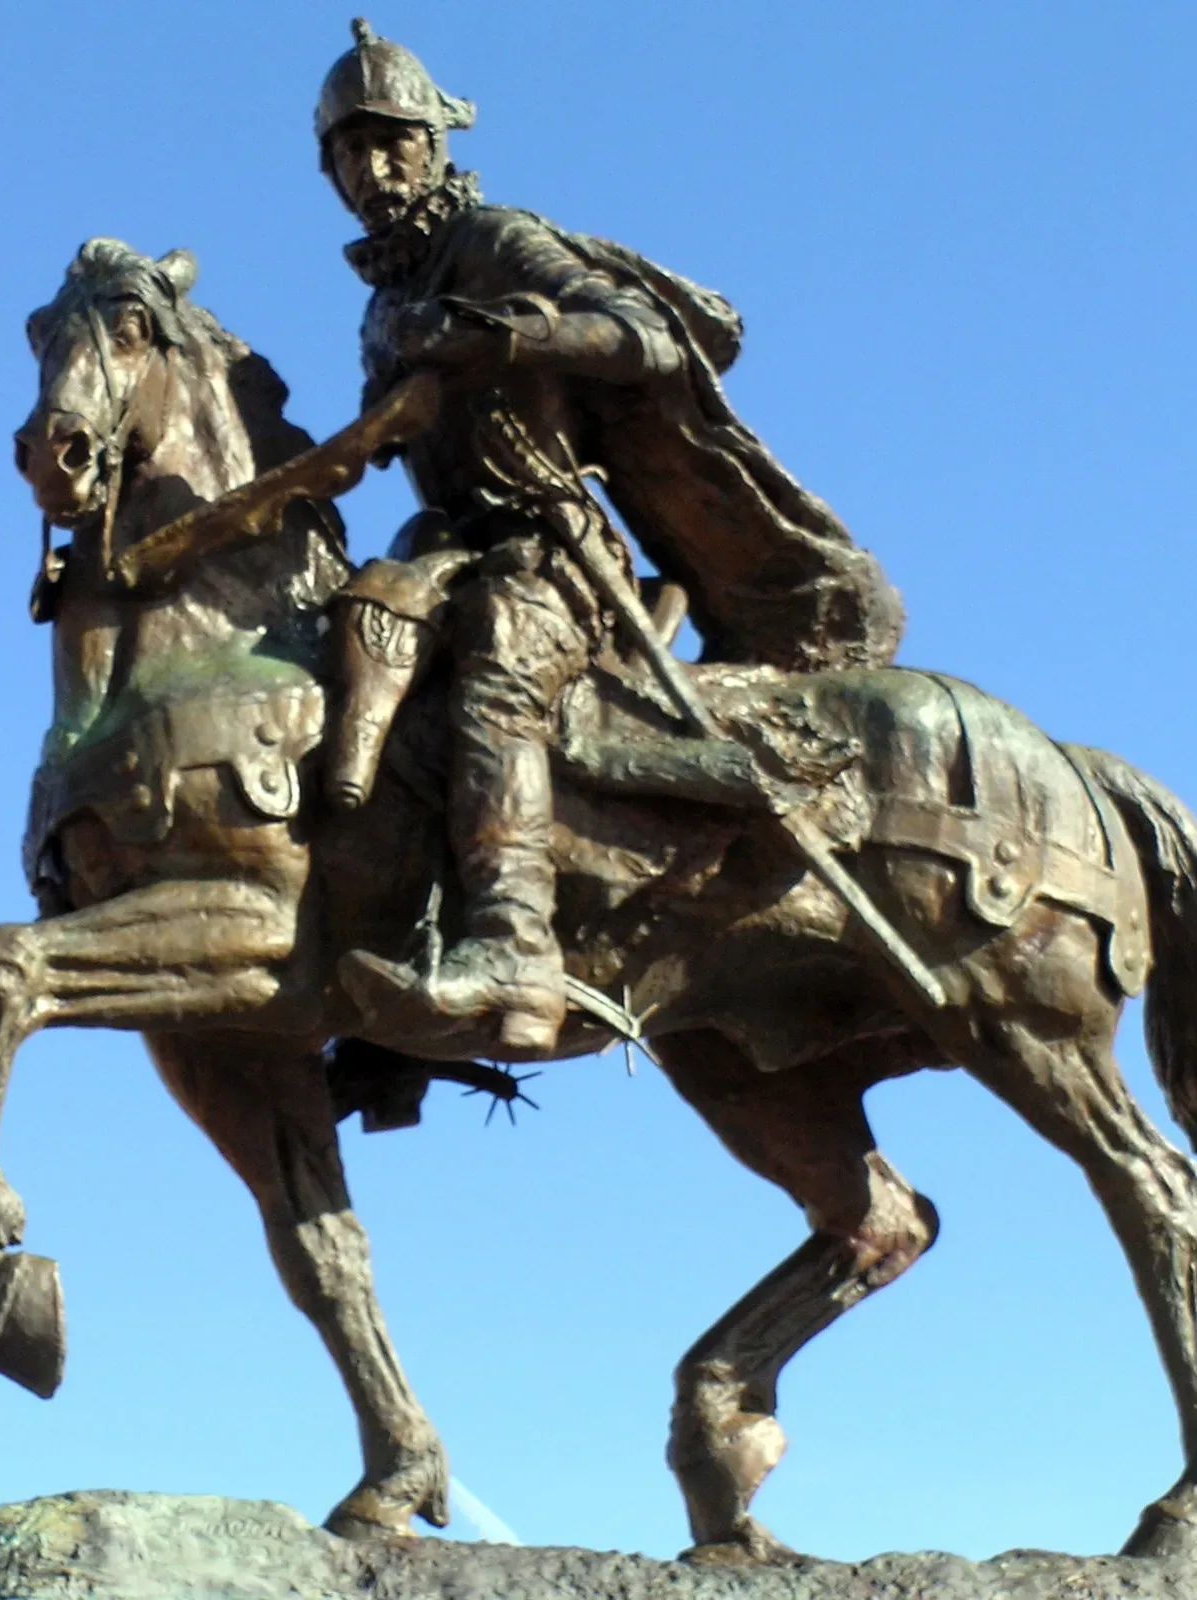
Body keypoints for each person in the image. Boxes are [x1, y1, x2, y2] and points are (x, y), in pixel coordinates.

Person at [318, 18, 906, 1053]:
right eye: (347, 153)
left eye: (389, 141)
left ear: (433, 141)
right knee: (341, 662)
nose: (371, 169)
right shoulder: (383, 304)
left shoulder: (492, 242)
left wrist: (499, 334)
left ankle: (514, 945)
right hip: (449, 547)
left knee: (499, 660)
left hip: (556, 555)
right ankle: (381, 994)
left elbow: (644, 334)